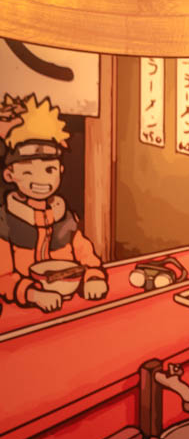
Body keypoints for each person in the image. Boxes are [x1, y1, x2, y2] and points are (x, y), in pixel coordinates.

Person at [0, 94, 108, 312]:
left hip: (68, 303)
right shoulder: (5, 221)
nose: (40, 180)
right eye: (28, 171)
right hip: (20, 311)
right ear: (10, 175)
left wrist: (93, 277)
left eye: (49, 170)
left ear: (60, 171)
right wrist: (32, 293)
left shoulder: (64, 217)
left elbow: (85, 254)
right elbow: (3, 276)